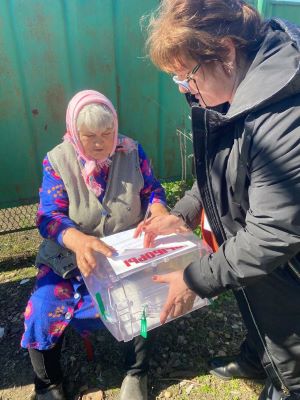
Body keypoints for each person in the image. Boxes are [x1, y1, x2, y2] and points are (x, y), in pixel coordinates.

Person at [136, 1, 300, 399]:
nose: (185, 89)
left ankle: (286, 383)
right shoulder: (240, 84)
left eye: (186, 76)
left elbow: (273, 234)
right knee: (258, 309)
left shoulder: (284, 118)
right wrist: (187, 211)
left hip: (288, 272)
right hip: (258, 271)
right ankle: (258, 357)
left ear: (225, 51)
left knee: (291, 341)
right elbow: (226, 168)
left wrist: (195, 278)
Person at [21, 90, 168, 400]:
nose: (101, 142)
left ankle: (135, 372)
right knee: (42, 308)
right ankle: (47, 384)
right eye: (89, 135)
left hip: (121, 252)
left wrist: (158, 210)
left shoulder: (132, 151)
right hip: (68, 257)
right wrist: (78, 240)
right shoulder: (57, 161)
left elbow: (152, 191)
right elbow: (49, 216)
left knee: (145, 300)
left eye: (107, 132)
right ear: (75, 132)